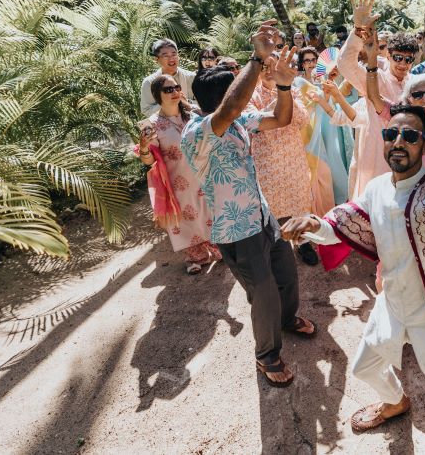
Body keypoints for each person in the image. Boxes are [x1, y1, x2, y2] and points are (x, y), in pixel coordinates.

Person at [281, 111, 425, 455]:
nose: (398, 141)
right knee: (363, 368)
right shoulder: (376, 188)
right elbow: (342, 224)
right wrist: (313, 224)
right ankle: (395, 402)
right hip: (391, 304)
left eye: (410, 136)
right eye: (391, 133)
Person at [181, 22, 315, 388]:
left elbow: (281, 118)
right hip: (235, 231)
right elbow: (232, 105)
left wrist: (285, 86)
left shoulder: (239, 120)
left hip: (263, 216)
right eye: (238, 91)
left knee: (286, 276)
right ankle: (267, 355)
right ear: (222, 99)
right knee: (264, 292)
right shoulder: (197, 132)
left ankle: (287, 321)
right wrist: (257, 58)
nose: (251, 91)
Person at [338, 0, 425, 197]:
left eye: (408, 59)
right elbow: (345, 64)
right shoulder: (375, 79)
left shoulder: (416, 86)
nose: (402, 64)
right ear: (388, 56)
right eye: (397, 57)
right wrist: (357, 30)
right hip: (376, 159)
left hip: (409, 160)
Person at [137, 75, 221, 274]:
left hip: (204, 175)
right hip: (178, 181)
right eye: (168, 89)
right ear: (158, 95)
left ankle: (218, 249)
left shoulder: (192, 115)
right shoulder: (152, 124)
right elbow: (149, 161)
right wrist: (143, 147)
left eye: (176, 87)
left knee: (210, 212)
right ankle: (195, 256)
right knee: (186, 219)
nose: (174, 92)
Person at [244, 52, 320, 267]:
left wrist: (285, 91)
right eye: (266, 67)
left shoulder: (292, 89)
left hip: (293, 156)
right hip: (266, 160)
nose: (270, 72)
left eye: (275, 66)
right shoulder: (250, 95)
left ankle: (303, 242)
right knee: (270, 206)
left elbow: (302, 119)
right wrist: (282, 95)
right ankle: (274, 246)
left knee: (299, 199)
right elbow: (254, 123)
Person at [140, 38, 195, 115]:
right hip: (164, 125)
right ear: (156, 59)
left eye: (174, 54)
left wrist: (187, 102)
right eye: (166, 56)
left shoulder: (192, 77)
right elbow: (146, 110)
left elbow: (204, 102)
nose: (171, 59)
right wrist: (169, 103)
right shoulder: (149, 82)